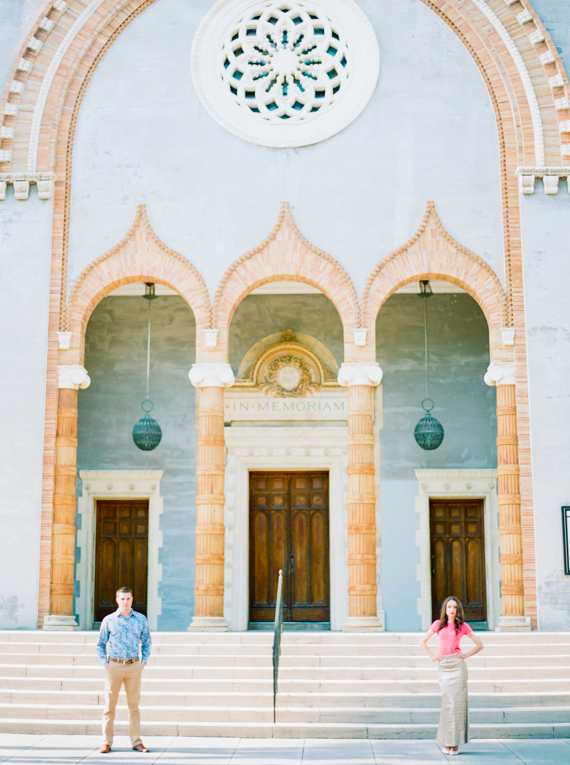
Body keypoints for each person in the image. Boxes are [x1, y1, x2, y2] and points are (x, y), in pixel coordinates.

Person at [420, 595, 483, 755]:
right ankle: (447, 741)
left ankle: (455, 744)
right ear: (445, 609)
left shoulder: (462, 626)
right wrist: (432, 656)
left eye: (455, 607)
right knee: (448, 704)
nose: (452, 610)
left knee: (457, 705)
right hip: (444, 666)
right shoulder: (437, 624)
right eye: (449, 607)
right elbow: (422, 642)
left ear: (458, 609)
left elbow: (480, 645)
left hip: (457, 667)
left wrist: (465, 655)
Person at [96, 586, 152, 754]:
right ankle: (106, 741)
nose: (125, 602)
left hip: (134, 666)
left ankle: (136, 741)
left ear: (132, 599)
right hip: (114, 666)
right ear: (117, 600)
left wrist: (143, 662)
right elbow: (100, 643)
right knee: (109, 706)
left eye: (128, 599)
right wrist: (105, 664)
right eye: (122, 599)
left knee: (134, 706)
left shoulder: (141, 619)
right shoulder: (109, 620)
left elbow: (147, 641)